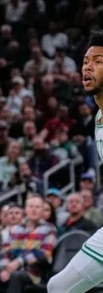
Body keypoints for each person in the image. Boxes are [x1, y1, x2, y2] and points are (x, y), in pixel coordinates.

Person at [48, 30, 103, 292]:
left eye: (98, 62)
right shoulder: (98, 118)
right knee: (58, 287)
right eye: (85, 62)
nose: (88, 67)